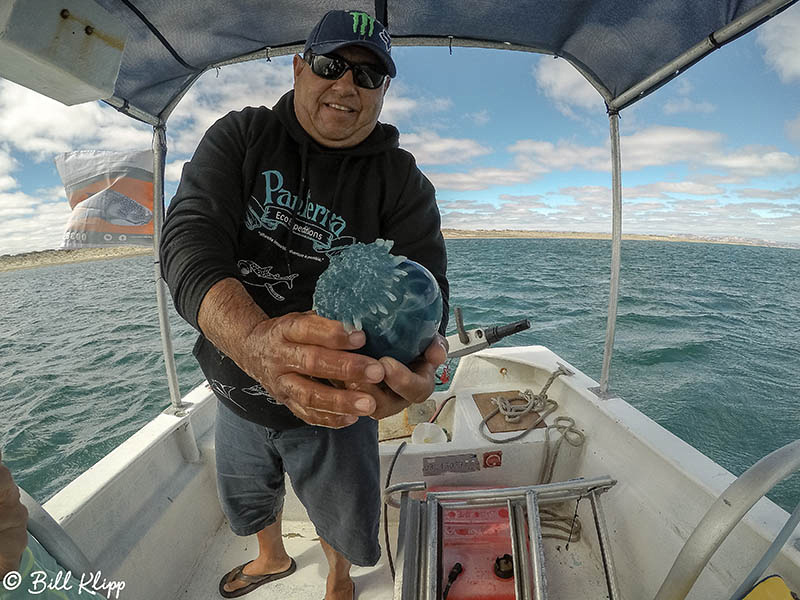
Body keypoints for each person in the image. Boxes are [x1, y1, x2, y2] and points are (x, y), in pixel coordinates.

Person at [160, 9, 449, 599]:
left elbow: (429, 295)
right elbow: (187, 239)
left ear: (382, 91)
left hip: (338, 407)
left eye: (368, 76)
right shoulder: (239, 137)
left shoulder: (402, 183)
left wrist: (418, 371)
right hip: (234, 387)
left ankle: (339, 582)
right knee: (247, 493)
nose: (346, 84)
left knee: (342, 513)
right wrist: (253, 345)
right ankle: (271, 559)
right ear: (299, 68)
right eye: (329, 65)